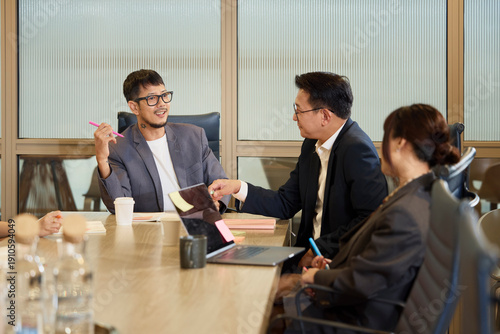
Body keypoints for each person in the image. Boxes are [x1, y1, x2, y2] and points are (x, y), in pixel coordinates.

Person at [286, 104, 461, 332]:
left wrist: (316, 279)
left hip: (356, 320)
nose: (379, 148)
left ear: (401, 143)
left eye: (385, 138)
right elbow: (378, 266)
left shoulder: (406, 212)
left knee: (275, 316)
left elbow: (363, 283)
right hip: (361, 305)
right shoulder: (417, 193)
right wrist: (333, 268)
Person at [209, 72, 387, 269]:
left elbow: (369, 220)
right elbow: (285, 203)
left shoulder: (356, 150)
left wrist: (319, 250)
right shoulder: (311, 144)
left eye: (299, 110)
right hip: (307, 256)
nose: (294, 117)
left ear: (325, 116)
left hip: (338, 263)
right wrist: (236, 188)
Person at [93, 69, 230, 214]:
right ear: (134, 107)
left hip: (198, 225)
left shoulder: (194, 136)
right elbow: (118, 206)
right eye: (152, 98)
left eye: (164, 95)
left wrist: (217, 203)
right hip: (150, 230)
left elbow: (221, 183)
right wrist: (102, 160)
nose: (162, 104)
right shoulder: (119, 148)